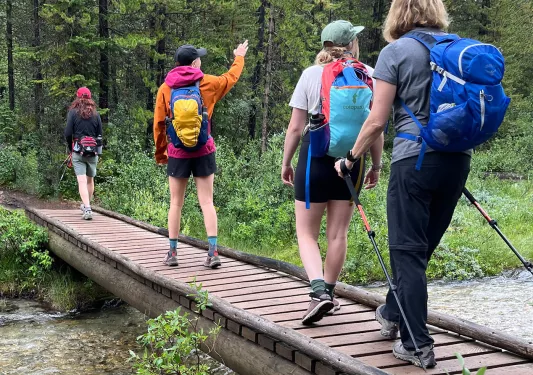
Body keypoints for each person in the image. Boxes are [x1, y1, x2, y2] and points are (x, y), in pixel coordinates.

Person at [334, 0, 471, 368]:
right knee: (421, 249)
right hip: (458, 160)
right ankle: (394, 314)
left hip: (415, 159)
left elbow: (377, 120)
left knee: (407, 252)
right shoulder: (457, 47)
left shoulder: (396, 52)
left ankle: (417, 345)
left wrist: (351, 157)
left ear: (398, 14)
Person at [282, 20, 384, 325]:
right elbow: (375, 129)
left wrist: (286, 162)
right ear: (351, 43)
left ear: (325, 45)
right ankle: (328, 290)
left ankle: (318, 293)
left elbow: (296, 128)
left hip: (315, 157)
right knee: (338, 233)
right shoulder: (370, 75)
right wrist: (376, 165)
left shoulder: (311, 75)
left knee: (306, 233)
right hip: (352, 161)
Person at [154, 41, 249, 268]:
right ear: (195, 62)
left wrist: (161, 154)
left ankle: (173, 254)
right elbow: (231, 77)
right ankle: (213, 252)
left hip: (177, 152)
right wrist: (239, 56)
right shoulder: (209, 83)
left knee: (176, 203)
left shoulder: (166, 88)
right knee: (207, 202)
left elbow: (158, 124)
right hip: (204, 149)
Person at [64, 87, 103, 221]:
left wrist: (71, 148)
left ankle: (87, 207)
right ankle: (87, 206)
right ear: (90, 98)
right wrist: (98, 151)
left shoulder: (73, 113)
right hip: (93, 153)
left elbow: (68, 133)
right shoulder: (96, 114)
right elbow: (100, 135)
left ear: (78, 97)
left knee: (81, 180)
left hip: (78, 151)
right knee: (90, 180)